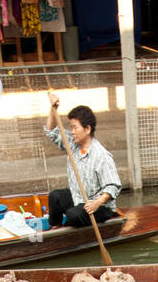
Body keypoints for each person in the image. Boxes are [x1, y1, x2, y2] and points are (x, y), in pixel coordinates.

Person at [43, 94, 122, 229]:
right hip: (79, 198)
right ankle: (55, 229)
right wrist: (53, 108)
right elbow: (51, 131)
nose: (72, 132)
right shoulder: (73, 144)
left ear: (87, 129)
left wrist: (96, 203)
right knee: (55, 196)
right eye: (71, 127)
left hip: (100, 207)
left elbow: (113, 186)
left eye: (75, 127)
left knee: (73, 215)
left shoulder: (101, 155)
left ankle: (68, 232)